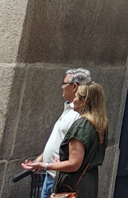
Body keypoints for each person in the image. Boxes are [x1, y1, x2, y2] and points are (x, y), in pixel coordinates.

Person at [36, 81, 107, 198]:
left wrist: (45, 165)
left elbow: (74, 164)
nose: (73, 101)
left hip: (72, 185)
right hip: (87, 183)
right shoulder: (99, 124)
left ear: (83, 101)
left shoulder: (82, 125)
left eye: (76, 97)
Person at [31, 68, 88, 197]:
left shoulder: (78, 114)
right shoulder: (68, 109)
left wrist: (46, 165)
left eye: (64, 83)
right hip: (50, 174)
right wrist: (41, 159)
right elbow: (59, 140)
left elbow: (75, 154)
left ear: (74, 86)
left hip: (61, 179)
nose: (62, 87)